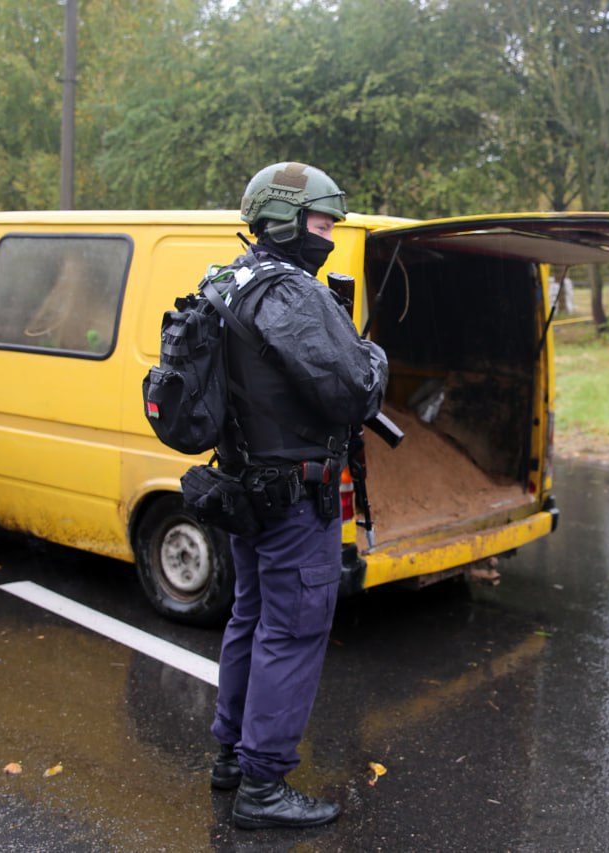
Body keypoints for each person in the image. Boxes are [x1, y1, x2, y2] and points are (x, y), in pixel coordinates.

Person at [208, 162, 388, 828]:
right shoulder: (292, 294)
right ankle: (263, 786)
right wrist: (375, 356)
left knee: (249, 621)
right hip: (293, 501)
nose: (330, 232)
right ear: (284, 220)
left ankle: (230, 757)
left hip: (244, 488)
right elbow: (352, 391)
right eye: (321, 220)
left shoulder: (227, 278)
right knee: (290, 632)